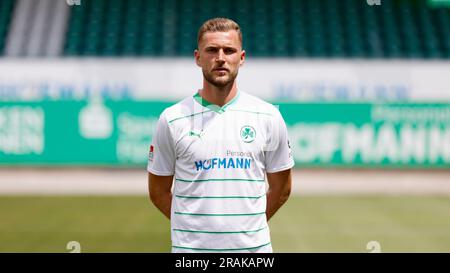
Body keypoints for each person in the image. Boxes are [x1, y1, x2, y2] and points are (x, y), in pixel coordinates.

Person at [147, 17, 293, 253]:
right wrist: (193, 233)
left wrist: (246, 229)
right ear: (197, 57)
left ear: (241, 58)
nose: (221, 58)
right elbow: (158, 191)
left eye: (229, 50)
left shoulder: (268, 116)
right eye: (212, 50)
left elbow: (282, 189)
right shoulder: (171, 119)